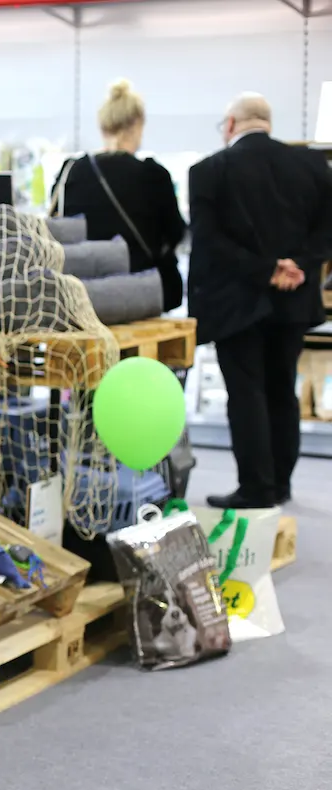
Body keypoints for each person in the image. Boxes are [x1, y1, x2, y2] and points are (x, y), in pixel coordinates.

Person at [188, 92, 332, 509]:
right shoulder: (311, 166)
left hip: (237, 302)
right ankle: (281, 483)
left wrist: (264, 269)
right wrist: (298, 265)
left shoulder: (209, 171)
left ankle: (256, 487)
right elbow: (327, 230)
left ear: (231, 124)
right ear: (267, 122)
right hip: (294, 300)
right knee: (282, 389)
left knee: (246, 393)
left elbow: (208, 240)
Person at [51, 80, 186, 312]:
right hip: (142, 291)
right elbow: (175, 233)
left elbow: (60, 228)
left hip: (85, 295)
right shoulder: (153, 174)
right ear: (138, 124)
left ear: (103, 127)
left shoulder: (71, 170)